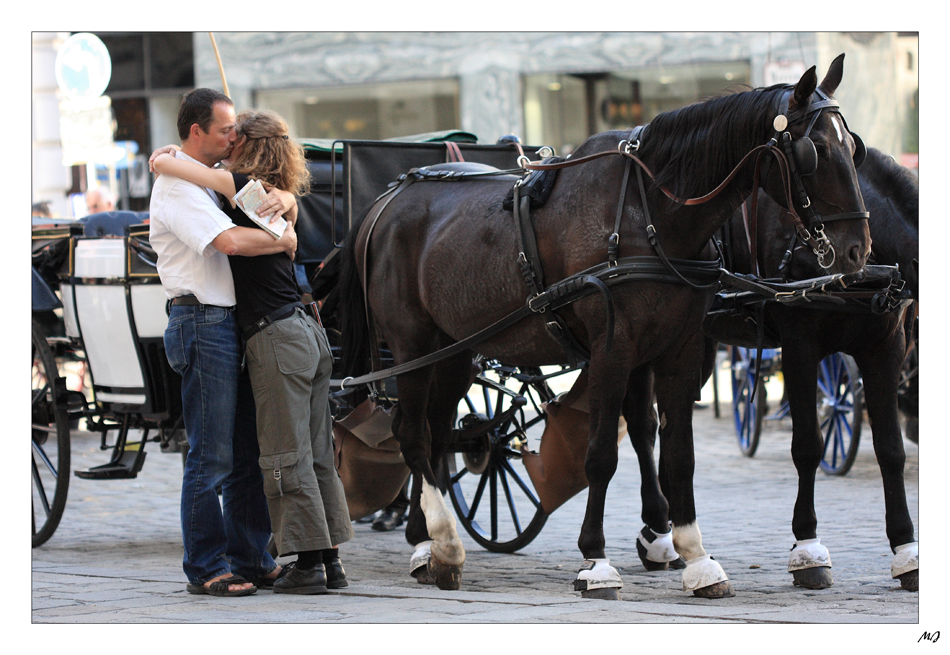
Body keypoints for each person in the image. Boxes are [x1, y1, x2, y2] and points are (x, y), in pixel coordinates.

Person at [152, 108, 354, 595]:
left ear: (245, 145)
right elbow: (271, 223)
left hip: (276, 335)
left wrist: (165, 158)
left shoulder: (241, 187)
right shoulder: (275, 198)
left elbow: (198, 184)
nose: (229, 139)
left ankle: (307, 563)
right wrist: (282, 230)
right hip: (306, 331)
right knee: (316, 452)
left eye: (234, 134)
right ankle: (328, 559)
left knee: (287, 453)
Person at [149, 88, 297, 597]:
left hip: (226, 323)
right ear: (196, 132)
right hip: (200, 321)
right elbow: (231, 242)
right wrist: (281, 240)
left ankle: (252, 557)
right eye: (224, 130)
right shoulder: (175, 186)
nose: (234, 136)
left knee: (244, 452)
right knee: (210, 455)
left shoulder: (210, 180)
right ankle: (205, 566)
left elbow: (282, 215)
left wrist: (288, 205)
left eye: (235, 129)